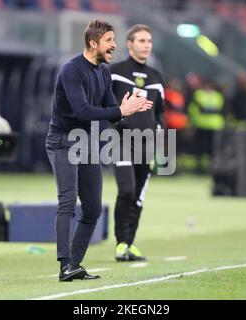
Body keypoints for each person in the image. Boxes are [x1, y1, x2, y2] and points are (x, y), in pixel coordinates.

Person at [45, 19, 153, 282]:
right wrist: (119, 111)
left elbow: (109, 113)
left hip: (88, 143)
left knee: (93, 209)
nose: (114, 46)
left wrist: (125, 111)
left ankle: (74, 264)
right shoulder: (71, 70)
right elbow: (83, 112)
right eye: (109, 41)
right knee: (68, 203)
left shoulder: (103, 72)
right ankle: (64, 265)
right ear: (93, 43)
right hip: (64, 141)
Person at [109, 24, 165, 262]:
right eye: (141, 41)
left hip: (147, 144)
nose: (146, 45)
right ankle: (121, 243)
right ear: (129, 44)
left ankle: (130, 244)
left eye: (149, 41)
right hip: (121, 141)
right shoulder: (115, 71)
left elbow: (159, 114)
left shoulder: (156, 77)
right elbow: (105, 106)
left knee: (138, 197)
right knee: (127, 190)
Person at [188, 80, 225, 174]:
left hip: (214, 125)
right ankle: (200, 166)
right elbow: (195, 108)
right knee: (201, 148)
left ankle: (210, 166)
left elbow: (218, 108)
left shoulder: (217, 95)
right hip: (202, 124)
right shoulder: (199, 94)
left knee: (212, 148)